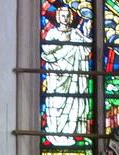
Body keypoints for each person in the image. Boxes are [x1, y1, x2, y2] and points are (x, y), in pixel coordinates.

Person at [40, 4, 90, 144]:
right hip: (56, 76)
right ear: (58, 17)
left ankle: (70, 133)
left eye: (68, 16)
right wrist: (64, 45)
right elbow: (47, 51)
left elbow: (85, 50)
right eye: (63, 15)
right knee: (56, 102)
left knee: (72, 102)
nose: (65, 18)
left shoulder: (75, 33)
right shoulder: (52, 34)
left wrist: (86, 34)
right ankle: (54, 133)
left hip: (73, 75)